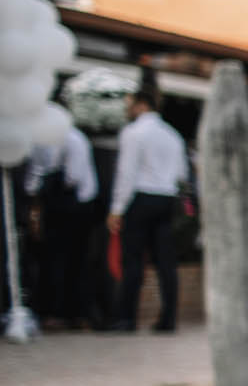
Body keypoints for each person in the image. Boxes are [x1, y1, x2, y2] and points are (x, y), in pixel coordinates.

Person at [106, 86, 189, 333]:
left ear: (142, 105)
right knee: (166, 262)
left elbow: (126, 173)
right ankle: (168, 319)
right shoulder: (173, 135)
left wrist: (116, 209)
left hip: (141, 197)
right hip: (167, 198)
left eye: (129, 105)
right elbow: (181, 173)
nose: (127, 110)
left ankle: (126, 319)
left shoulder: (133, 133)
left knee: (133, 260)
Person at [25, 119, 99, 329]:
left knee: (63, 260)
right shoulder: (70, 138)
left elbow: (72, 177)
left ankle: (64, 311)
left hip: (72, 207)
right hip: (71, 205)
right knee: (70, 260)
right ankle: (68, 311)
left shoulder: (69, 139)